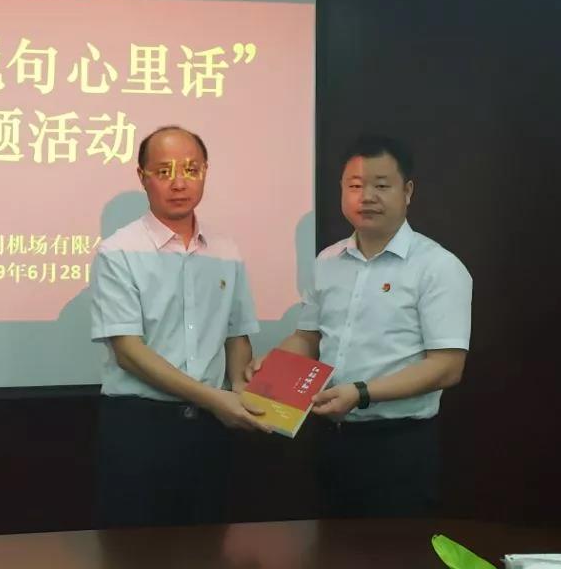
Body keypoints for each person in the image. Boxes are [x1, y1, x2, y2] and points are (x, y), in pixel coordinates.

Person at [256, 135, 472, 517]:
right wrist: (270, 369)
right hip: (330, 440)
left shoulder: (438, 267)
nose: (367, 196)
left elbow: (447, 367)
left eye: (381, 186)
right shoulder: (327, 261)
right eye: (355, 186)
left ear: (407, 191)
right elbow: (308, 337)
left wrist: (361, 393)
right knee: (327, 543)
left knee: (391, 547)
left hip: (398, 444)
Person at [91, 125, 269, 528]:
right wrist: (215, 398)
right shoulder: (118, 251)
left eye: (191, 169)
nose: (178, 183)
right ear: (142, 177)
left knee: (207, 544)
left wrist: (242, 391)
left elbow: (235, 337)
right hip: (141, 427)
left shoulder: (226, 250)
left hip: (210, 429)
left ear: (205, 172)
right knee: (135, 548)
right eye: (164, 171)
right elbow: (128, 352)